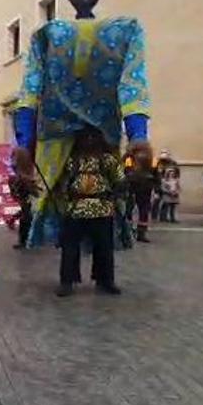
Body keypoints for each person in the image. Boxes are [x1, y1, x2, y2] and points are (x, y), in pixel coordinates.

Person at [12, 0, 151, 248]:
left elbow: (133, 87)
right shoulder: (45, 36)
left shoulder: (126, 31)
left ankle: (102, 273)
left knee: (102, 226)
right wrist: (24, 147)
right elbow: (29, 95)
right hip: (53, 150)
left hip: (103, 147)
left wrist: (139, 137)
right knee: (63, 225)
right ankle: (69, 274)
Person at [56, 126, 125, 297]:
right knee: (70, 248)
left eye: (93, 137)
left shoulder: (108, 160)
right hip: (76, 209)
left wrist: (116, 197)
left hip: (102, 209)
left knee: (104, 248)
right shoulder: (72, 161)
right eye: (85, 137)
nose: (89, 140)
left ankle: (105, 280)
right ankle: (67, 281)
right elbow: (63, 182)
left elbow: (120, 180)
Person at [124, 145, 159, 242]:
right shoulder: (151, 159)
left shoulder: (129, 157)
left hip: (134, 185)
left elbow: (126, 171)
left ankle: (130, 232)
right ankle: (139, 233)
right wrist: (157, 187)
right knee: (141, 210)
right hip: (143, 186)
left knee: (131, 209)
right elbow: (156, 173)